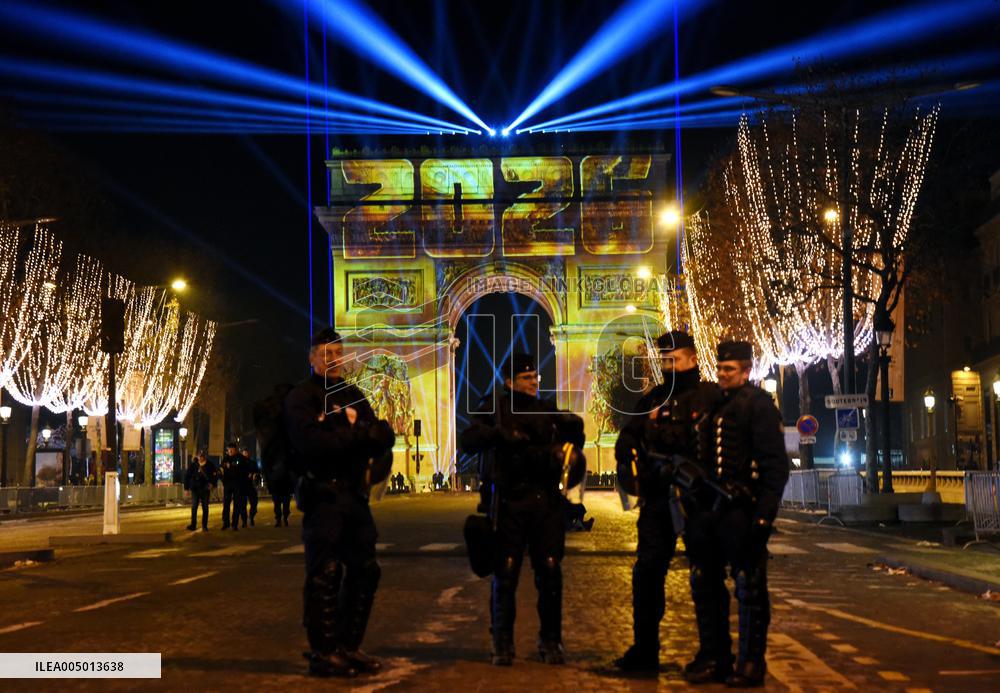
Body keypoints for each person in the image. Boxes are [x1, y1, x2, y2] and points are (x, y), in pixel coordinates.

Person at [460, 352, 585, 667]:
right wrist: (497, 434)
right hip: (509, 502)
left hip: (545, 502)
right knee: (506, 572)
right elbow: (468, 438)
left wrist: (572, 436)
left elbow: (573, 444)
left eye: (535, 378)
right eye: (526, 379)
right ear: (509, 381)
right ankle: (501, 642)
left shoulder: (547, 410)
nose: (533, 383)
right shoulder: (494, 408)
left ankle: (551, 641)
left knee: (551, 570)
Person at [285, 327, 396, 678]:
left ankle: (349, 646)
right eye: (325, 352)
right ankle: (323, 652)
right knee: (326, 573)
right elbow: (312, 444)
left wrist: (365, 435)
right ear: (312, 357)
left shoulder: (353, 394)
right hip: (323, 496)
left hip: (354, 496)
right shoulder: (302, 397)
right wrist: (358, 434)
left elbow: (380, 434)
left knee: (367, 570)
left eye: (338, 352)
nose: (333, 358)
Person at [613, 330, 721, 672]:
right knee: (646, 574)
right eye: (664, 361)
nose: (668, 367)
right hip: (658, 499)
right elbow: (627, 437)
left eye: (673, 360)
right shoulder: (652, 400)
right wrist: (626, 452)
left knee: (706, 576)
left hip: (700, 500)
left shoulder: (713, 397)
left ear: (692, 359)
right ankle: (645, 651)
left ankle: (714, 653)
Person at [683, 341, 790, 687]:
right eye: (720, 368)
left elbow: (775, 468)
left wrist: (764, 517)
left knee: (750, 587)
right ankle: (716, 658)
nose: (722, 375)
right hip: (710, 511)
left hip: (742, 509)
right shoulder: (715, 405)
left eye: (729, 369)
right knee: (705, 582)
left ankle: (750, 663)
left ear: (746, 370)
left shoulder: (759, 405)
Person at [184, 452, 217, 531]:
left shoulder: (210, 465)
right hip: (195, 488)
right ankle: (193, 524)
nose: (200, 458)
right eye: (199, 456)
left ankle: (204, 526)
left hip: (205, 489)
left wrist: (212, 484)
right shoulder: (193, 465)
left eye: (202, 456)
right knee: (194, 507)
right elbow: (187, 476)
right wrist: (186, 488)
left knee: (205, 507)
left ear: (204, 457)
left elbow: (214, 476)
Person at [219, 443, 240, 530]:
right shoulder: (225, 459)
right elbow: (221, 470)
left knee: (236, 504)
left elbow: (240, 469)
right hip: (227, 484)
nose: (230, 451)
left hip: (236, 484)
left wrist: (230, 466)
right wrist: (223, 481)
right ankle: (226, 522)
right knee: (226, 504)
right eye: (229, 449)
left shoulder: (239, 458)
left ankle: (234, 524)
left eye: (232, 449)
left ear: (235, 450)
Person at [241, 447, 260, 526]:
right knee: (242, 504)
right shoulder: (240, 463)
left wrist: (253, 475)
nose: (246, 454)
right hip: (242, 486)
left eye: (247, 452)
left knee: (254, 503)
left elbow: (257, 473)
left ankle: (251, 516)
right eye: (244, 452)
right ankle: (244, 521)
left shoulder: (253, 463)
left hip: (251, 486)